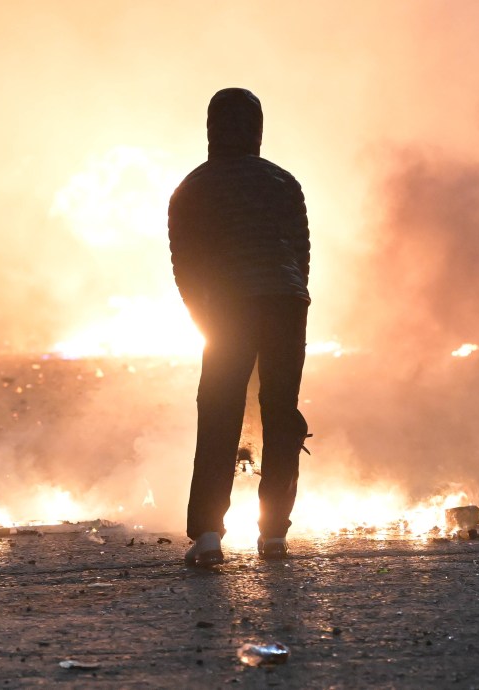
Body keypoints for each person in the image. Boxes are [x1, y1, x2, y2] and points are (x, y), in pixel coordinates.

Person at [168, 87, 311, 566]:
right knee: (282, 413)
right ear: (257, 128)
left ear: (211, 128)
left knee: (219, 413)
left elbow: (185, 267)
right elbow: (300, 254)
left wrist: (203, 319)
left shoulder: (192, 188)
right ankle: (274, 535)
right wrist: (292, 300)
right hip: (286, 302)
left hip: (228, 306)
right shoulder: (283, 182)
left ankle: (208, 536)